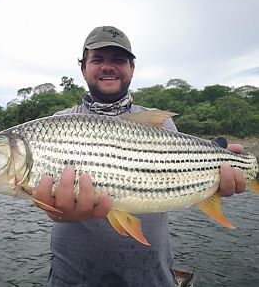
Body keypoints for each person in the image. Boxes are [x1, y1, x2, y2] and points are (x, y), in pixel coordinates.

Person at [35, 26, 246, 287]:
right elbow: (44, 197)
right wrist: (55, 212)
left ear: (132, 68)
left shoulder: (162, 124)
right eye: (98, 59)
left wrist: (215, 177)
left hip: (151, 276)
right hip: (74, 277)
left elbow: (187, 174)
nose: (107, 67)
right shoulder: (56, 126)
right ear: (83, 68)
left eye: (118, 60)